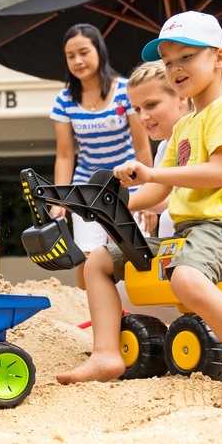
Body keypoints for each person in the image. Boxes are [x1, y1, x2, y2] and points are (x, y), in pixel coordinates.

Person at [56, 11, 222, 398]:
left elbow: (219, 173)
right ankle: (106, 353)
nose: (175, 68)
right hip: (191, 234)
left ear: (219, 58)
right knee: (99, 262)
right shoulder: (185, 127)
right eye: (170, 61)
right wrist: (102, 206)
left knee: (185, 278)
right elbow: (157, 198)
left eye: (186, 57)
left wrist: (154, 174)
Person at [48, 23, 152, 289]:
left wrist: (151, 192)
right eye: (71, 56)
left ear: (99, 50)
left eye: (84, 52)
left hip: (128, 184)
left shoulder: (125, 91)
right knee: (87, 255)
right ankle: (90, 311)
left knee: (132, 252)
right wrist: (58, 199)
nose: (78, 60)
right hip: (87, 188)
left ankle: (134, 313)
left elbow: (142, 148)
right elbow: (64, 155)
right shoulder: (64, 100)